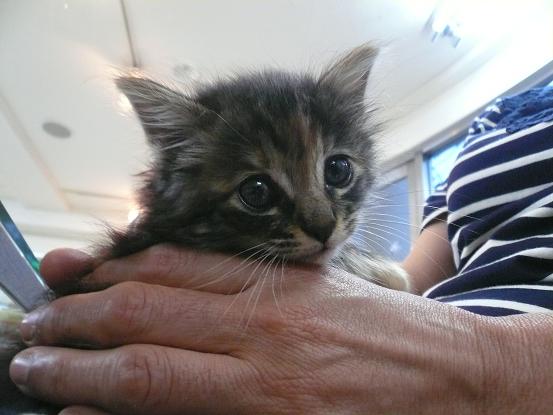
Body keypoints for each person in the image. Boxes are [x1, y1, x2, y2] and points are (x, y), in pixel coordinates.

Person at [8, 86, 553, 414]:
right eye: (258, 192)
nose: (321, 222)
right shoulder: (494, 122)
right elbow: (415, 284)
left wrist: (491, 373)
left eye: (336, 172)